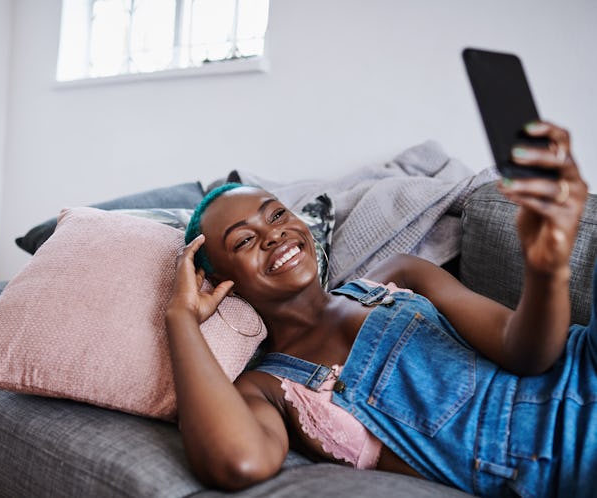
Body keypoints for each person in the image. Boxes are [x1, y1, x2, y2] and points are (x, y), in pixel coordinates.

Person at [164, 120, 592, 497]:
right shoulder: (268, 389)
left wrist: (546, 270)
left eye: (276, 215)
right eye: (244, 240)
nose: (274, 236)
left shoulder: (399, 275)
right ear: (221, 282)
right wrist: (181, 319)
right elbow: (239, 463)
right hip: (567, 461)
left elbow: (527, 351)